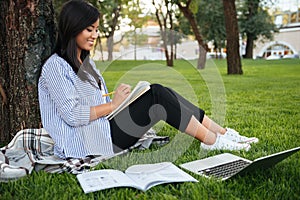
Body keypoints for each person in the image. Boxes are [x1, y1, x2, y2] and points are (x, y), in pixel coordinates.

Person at [38, 0, 258, 159]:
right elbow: (73, 115)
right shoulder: (55, 67)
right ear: (72, 28)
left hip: (104, 129)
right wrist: (113, 105)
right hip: (89, 142)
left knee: (158, 90)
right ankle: (212, 142)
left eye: (96, 29)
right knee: (157, 96)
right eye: (89, 29)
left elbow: (97, 104)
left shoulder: (87, 64)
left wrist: (121, 101)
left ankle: (221, 133)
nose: (95, 35)